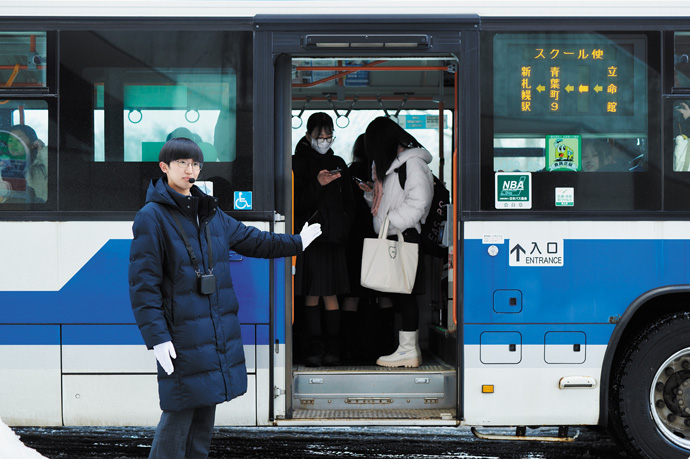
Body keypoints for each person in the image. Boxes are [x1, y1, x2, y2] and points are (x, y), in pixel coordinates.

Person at [128, 137, 321, 459]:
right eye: (182, 164)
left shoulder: (209, 212)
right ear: (164, 168)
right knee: (178, 414)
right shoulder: (152, 216)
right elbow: (142, 285)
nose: (191, 170)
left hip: (213, 329)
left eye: (196, 164)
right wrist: (157, 338)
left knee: (204, 413)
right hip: (182, 333)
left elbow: (254, 241)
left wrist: (297, 242)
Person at [363, 116, 433, 368]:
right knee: (401, 293)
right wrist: (372, 195)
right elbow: (387, 204)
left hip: (405, 235)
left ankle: (407, 351)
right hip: (397, 234)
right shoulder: (393, 165)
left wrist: (390, 221)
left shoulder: (412, 164)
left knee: (405, 295)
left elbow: (419, 202)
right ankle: (409, 349)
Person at [292, 112, 354, 366]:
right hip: (310, 238)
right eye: (320, 137)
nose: (325, 141)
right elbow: (296, 202)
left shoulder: (339, 163)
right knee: (311, 295)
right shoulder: (298, 164)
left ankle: (332, 348)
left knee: (330, 294)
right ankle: (314, 348)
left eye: (329, 137)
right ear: (308, 136)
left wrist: (344, 228)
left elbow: (349, 203)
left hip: (334, 239)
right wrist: (317, 184)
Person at [341, 134, 379, 363]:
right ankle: (381, 347)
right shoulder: (384, 171)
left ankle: (347, 351)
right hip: (381, 238)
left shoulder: (347, 172)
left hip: (354, 239)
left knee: (351, 295)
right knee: (382, 295)